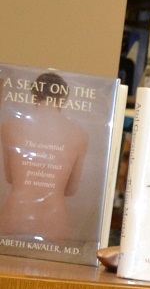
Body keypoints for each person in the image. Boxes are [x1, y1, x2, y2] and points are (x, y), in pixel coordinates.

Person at [0, 71, 89, 239]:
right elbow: (70, 189)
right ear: (63, 98)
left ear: (34, 95)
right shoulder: (80, 135)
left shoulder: (9, 127)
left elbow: (10, 177)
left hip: (13, 219)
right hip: (54, 224)